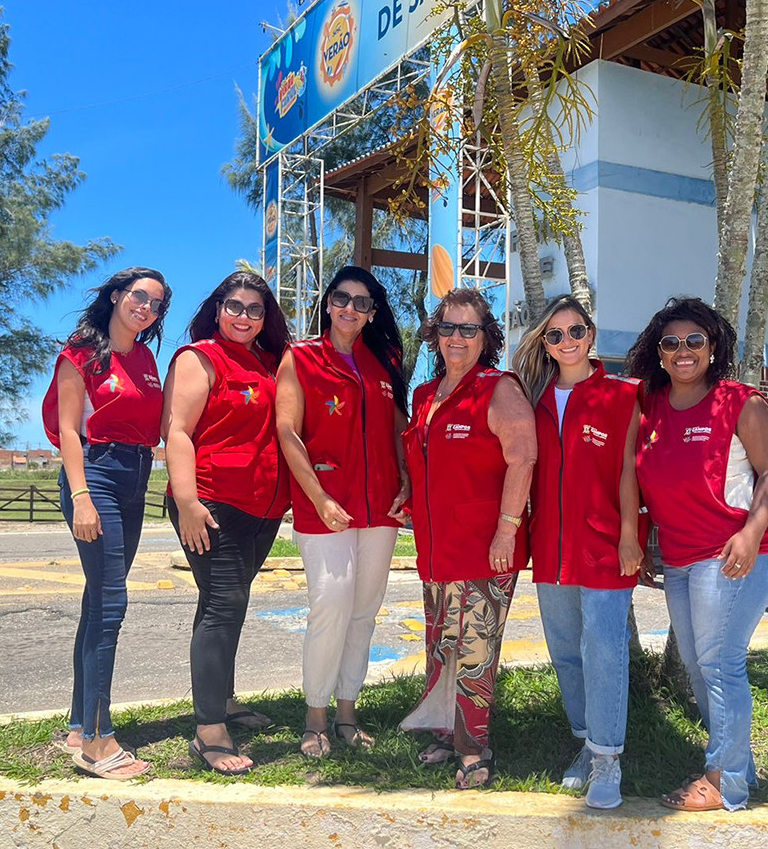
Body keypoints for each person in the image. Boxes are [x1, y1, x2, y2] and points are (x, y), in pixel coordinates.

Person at [625, 296, 768, 812]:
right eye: (670, 343)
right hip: (679, 558)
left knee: (720, 665)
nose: (683, 351)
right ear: (659, 352)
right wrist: (641, 538)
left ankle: (724, 782)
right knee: (699, 667)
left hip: (736, 556)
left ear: (713, 347)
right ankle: (738, 764)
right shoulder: (649, 406)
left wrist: (751, 532)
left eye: (695, 340)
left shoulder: (741, 402)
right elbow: (641, 476)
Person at [400, 287, 536, 790]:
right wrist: (407, 494)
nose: (457, 338)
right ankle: (445, 730)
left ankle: (474, 747)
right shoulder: (424, 395)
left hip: (484, 546)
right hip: (437, 548)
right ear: (435, 334)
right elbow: (425, 460)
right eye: (448, 328)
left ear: (486, 337)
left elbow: (523, 458)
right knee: (443, 644)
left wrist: (507, 530)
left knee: (476, 649)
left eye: (469, 329)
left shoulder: (498, 388)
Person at [511, 295, 644, 809]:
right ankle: (588, 743)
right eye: (555, 335)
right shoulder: (534, 399)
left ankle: (608, 760)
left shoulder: (620, 395)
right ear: (544, 344)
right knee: (566, 651)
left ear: (591, 334)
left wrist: (630, 534)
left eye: (575, 331)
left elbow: (629, 470)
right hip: (551, 547)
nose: (566, 342)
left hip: (606, 545)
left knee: (604, 649)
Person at [274, 265, 409, 758]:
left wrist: (408, 481)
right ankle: (315, 718)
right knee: (330, 606)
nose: (350, 309)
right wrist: (319, 497)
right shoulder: (302, 357)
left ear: (372, 314)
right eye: (342, 299)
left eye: (361, 303)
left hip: (381, 510)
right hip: (325, 507)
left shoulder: (383, 364)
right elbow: (287, 432)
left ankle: (348, 712)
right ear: (328, 303)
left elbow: (400, 431)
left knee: (363, 614)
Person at [41, 266, 169, 781]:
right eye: (138, 296)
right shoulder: (82, 351)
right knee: (112, 603)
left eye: (156, 303)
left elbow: (158, 428)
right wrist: (82, 497)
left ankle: (78, 723)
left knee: (98, 601)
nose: (145, 307)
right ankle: (97, 740)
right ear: (117, 296)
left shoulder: (145, 358)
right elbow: (70, 431)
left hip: (135, 477)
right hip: (95, 474)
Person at [163, 271, 291, 775]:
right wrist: (189, 501)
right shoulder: (199, 358)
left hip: (263, 507)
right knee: (224, 603)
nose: (243, 316)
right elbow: (177, 431)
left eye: (255, 309)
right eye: (234, 307)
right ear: (217, 310)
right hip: (212, 501)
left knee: (223, 602)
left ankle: (222, 699)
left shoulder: (267, 361)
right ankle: (209, 731)